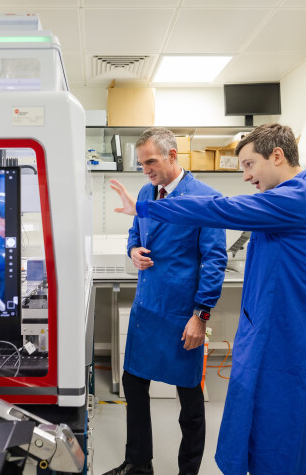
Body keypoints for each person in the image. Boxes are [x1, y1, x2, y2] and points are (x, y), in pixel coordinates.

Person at [110, 123, 306, 475]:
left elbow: (223, 215)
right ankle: (138, 463)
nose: (247, 177)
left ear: (277, 156)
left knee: (279, 428)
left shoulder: (304, 197)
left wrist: (201, 311)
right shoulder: (292, 196)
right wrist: (134, 244)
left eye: (249, 165)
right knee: (253, 421)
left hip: (285, 334)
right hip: (259, 326)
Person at [104, 127, 228, 475]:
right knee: (134, 383)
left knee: (189, 399)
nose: (146, 170)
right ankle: (139, 463)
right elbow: (135, 231)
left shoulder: (205, 198)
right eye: (142, 163)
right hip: (148, 307)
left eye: (151, 162)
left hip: (181, 313)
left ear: (173, 156)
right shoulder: (146, 192)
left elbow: (214, 259)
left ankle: (187, 471)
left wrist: (200, 315)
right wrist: (133, 251)